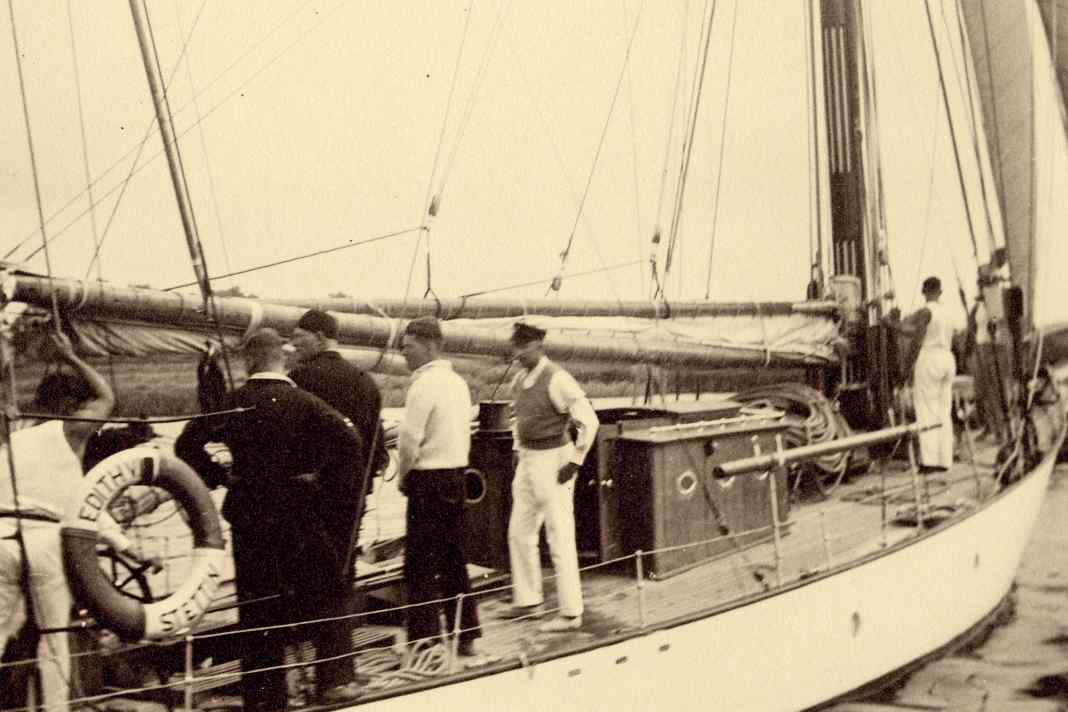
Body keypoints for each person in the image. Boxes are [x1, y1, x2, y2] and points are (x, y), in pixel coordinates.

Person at [175, 328, 365, 710]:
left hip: (250, 512)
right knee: (327, 589)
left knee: (258, 603)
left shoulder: (233, 403)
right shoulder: (306, 403)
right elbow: (351, 443)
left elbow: (185, 446)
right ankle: (334, 680)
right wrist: (318, 477)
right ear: (283, 359)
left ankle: (265, 697)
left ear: (249, 360)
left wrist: (220, 476)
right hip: (298, 510)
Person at [0, 332, 158, 712]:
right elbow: (105, 396)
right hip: (44, 542)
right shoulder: (67, 432)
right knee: (54, 637)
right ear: (71, 406)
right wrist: (71, 356)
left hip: (1, 537)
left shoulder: (9, 434)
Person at [502, 322, 599, 633]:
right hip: (529, 462)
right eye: (514, 346)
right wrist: (519, 450)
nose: (516, 353)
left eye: (522, 347)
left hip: (553, 461)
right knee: (519, 531)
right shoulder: (519, 380)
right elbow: (518, 419)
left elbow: (588, 420)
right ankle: (529, 601)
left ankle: (571, 614)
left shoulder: (557, 378)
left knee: (559, 535)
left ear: (537, 346)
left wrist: (576, 460)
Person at [396, 316, 481, 656]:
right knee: (453, 558)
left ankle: (425, 641)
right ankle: (466, 634)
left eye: (409, 347)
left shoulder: (423, 385)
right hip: (455, 477)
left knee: (419, 563)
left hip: (428, 480)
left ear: (429, 345)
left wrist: (404, 477)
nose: (404, 354)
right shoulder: (457, 383)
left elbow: (409, 440)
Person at [896, 278, 956, 472]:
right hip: (947, 358)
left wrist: (906, 368)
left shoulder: (925, 312)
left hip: (930, 360)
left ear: (924, 291)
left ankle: (929, 461)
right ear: (940, 291)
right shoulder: (947, 312)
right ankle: (944, 460)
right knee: (943, 411)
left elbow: (916, 340)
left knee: (926, 411)